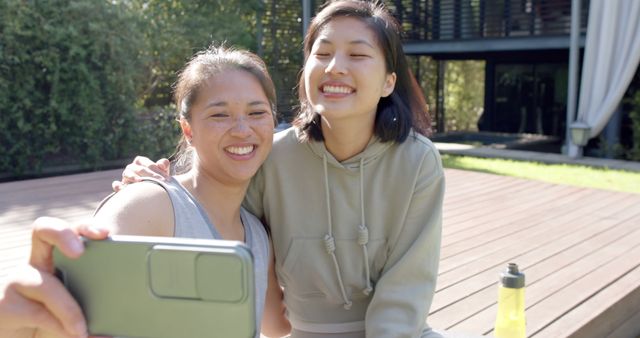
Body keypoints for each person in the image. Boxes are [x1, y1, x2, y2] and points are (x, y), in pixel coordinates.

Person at [117, 1, 446, 337]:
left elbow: (405, 293)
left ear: (388, 82)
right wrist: (160, 186)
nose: (335, 67)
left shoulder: (417, 162)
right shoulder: (271, 157)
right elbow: (212, 201)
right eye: (323, 53)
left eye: (357, 55)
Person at [0, 45, 291, 338]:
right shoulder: (150, 205)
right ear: (188, 131)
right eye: (219, 115)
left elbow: (277, 326)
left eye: (256, 112)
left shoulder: (256, 233)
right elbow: (66, 319)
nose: (242, 129)